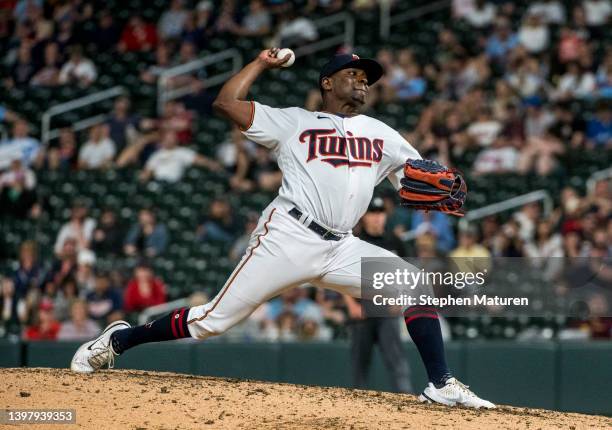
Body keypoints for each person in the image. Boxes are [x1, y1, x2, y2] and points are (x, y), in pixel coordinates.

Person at [71, 49, 494, 409]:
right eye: (354, 75)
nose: (363, 83)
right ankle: (121, 340)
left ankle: (440, 383)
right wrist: (258, 63)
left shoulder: (381, 133)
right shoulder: (292, 121)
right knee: (212, 322)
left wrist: (431, 190)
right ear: (328, 83)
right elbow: (225, 103)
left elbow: (415, 178)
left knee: (414, 286)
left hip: (342, 247)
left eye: (367, 79)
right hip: (288, 237)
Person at [345, 198, 412, 393]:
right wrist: (351, 305)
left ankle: (408, 407)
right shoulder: (354, 242)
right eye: (373, 213)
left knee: (398, 365)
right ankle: (357, 414)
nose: (377, 218)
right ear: (364, 216)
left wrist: (401, 298)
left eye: (380, 213)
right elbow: (338, 274)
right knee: (359, 368)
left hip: (387, 313)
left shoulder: (394, 242)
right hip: (362, 311)